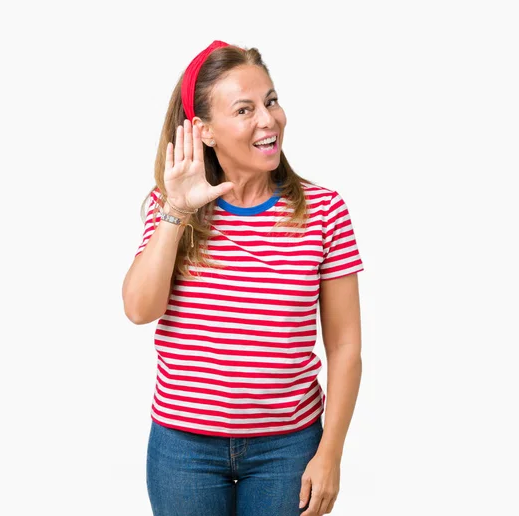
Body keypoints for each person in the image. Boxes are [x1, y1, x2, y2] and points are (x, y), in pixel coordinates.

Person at [122, 40, 365, 516]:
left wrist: (330, 453)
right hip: (183, 449)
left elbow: (345, 346)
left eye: (271, 101)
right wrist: (176, 210)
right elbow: (138, 309)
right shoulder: (169, 206)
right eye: (245, 109)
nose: (268, 120)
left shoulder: (324, 212)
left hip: (287, 447)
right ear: (204, 131)